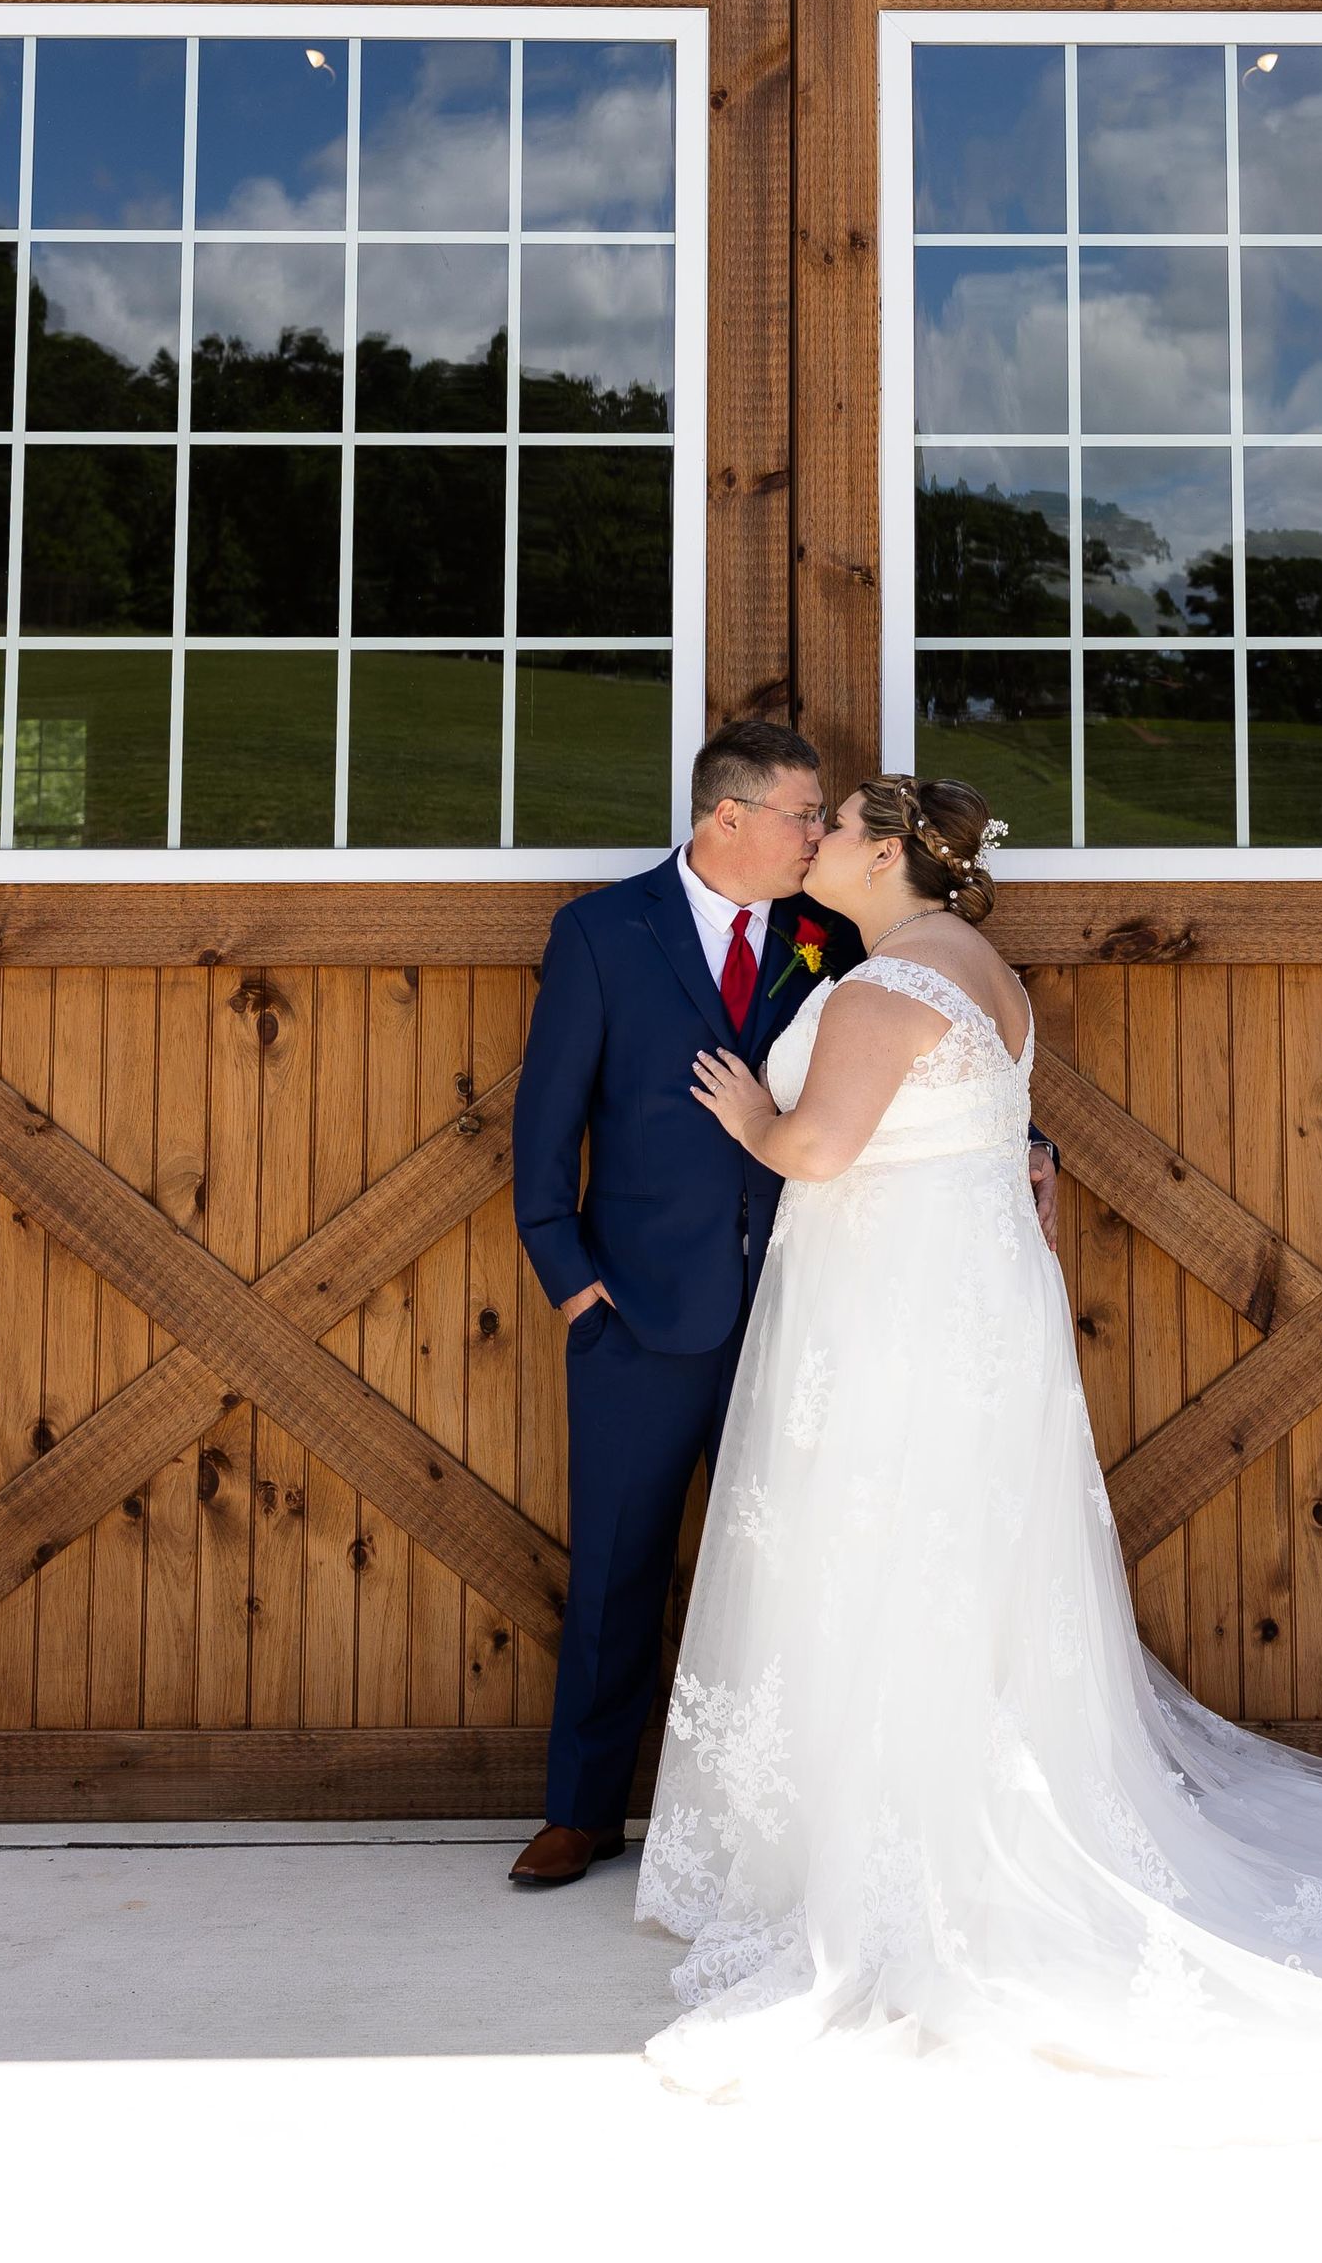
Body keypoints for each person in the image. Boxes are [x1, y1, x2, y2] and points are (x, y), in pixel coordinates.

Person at [641, 770, 1322, 2094]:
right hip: (971, 1310)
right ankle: (948, 1796)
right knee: (965, 1562)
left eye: (838, 823)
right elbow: (986, 1135)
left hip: (898, 1320)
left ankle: (914, 1848)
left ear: (881, 859)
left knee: (894, 1555)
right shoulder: (982, 971)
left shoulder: (880, 989)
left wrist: (752, 1117)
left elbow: (818, 1150)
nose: (815, 838)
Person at [506, 718, 858, 1890]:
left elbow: (911, 1058)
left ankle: (784, 1823)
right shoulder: (603, 932)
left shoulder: (829, 936)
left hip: (802, 1305)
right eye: (803, 814)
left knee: (793, 1569)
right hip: (639, 1316)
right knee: (617, 1566)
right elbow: (548, 1124)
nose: (818, 834)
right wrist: (574, 1287)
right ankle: (581, 1810)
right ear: (728, 817)